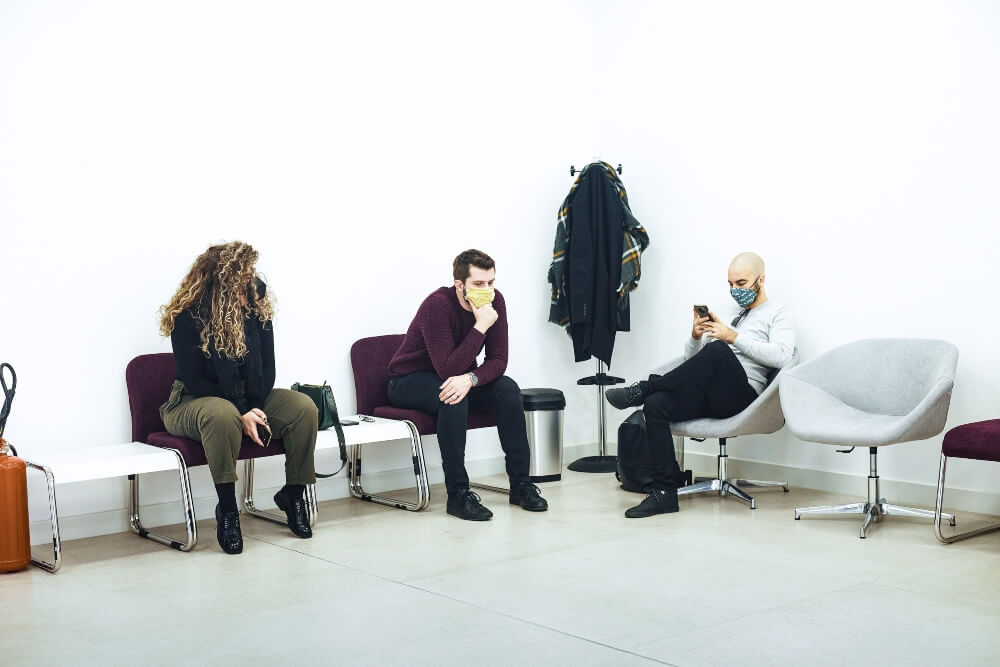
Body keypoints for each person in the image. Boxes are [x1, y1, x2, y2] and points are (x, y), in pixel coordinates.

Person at [605, 252, 796, 518]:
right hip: (710, 392)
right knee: (656, 405)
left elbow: (784, 356)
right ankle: (664, 493)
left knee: (718, 350)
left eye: (741, 283)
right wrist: (695, 337)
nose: (734, 290)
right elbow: (694, 364)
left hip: (743, 396)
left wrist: (733, 337)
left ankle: (644, 387)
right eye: (730, 284)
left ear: (761, 280)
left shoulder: (778, 314)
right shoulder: (727, 311)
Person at [158, 241, 318, 553]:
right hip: (192, 400)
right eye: (242, 275)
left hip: (246, 398)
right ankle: (228, 510)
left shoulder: (255, 305)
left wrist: (254, 407)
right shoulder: (189, 315)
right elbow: (196, 379)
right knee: (222, 414)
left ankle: (293, 494)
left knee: (303, 408)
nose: (250, 280)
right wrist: (241, 411)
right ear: (222, 281)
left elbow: (268, 368)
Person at [387, 249, 549, 520]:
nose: (487, 290)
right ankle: (458, 494)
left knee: (508, 389)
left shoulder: (496, 301)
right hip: (407, 381)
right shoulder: (437, 305)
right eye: (478, 284)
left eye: (491, 282)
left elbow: (498, 360)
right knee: (453, 394)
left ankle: (521, 485)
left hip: (458, 376)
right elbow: (447, 369)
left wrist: (472, 379)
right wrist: (481, 326)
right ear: (459, 284)